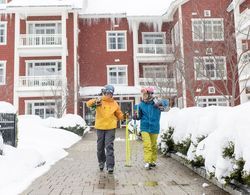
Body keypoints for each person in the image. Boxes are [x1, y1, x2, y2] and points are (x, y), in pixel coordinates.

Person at [86, 85, 124, 174]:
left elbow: (119, 115)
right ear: (104, 92)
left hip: (110, 127)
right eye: (107, 93)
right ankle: (101, 162)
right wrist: (96, 101)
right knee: (100, 147)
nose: (108, 95)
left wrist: (125, 116)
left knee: (109, 146)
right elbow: (88, 104)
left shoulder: (114, 103)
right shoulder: (99, 101)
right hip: (100, 127)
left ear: (112, 94)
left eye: (110, 93)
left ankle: (110, 166)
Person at [133, 87, 168, 170]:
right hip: (144, 127)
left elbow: (166, 103)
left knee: (153, 145)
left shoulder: (156, 102)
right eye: (143, 94)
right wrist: (135, 117)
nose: (143, 96)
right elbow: (139, 116)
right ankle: (147, 162)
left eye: (145, 94)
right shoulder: (141, 105)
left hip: (154, 127)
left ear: (150, 94)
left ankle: (153, 161)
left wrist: (160, 103)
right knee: (147, 145)